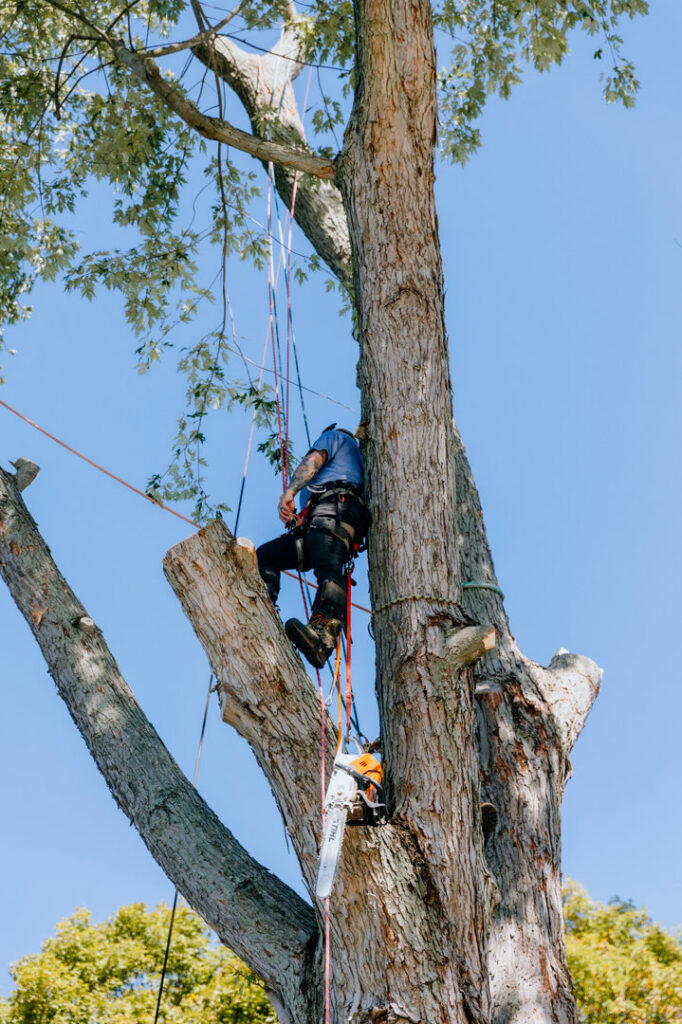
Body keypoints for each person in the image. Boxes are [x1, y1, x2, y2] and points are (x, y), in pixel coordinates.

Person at [256, 424, 368, 668]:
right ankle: (262, 604)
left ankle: (323, 633)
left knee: (328, 569)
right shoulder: (355, 462)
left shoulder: (333, 437)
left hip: (334, 513)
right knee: (266, 555)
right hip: (326, 522)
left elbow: (315, 459)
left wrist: (290, 492)